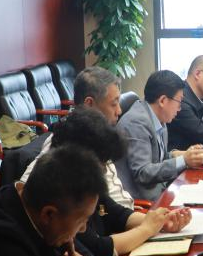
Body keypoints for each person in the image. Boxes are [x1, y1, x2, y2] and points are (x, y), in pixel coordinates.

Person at [50, 107, 192, 256]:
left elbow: (117, 214)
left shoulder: (84, 179)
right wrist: (147, 229)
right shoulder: (59, 187)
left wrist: (160, 222)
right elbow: (97, 248)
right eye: (102, 164)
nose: (105, 170)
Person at [20, 65, 135, 208]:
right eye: (114, 104)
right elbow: (24, 190)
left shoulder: (101, 137)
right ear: (89, 104)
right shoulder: (66, 142)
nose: (119, 111)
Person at [117, 70, 203, 202]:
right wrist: (184, 161)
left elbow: (157, 158)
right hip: (143, 202)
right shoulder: (136, 122)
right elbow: (143, 173)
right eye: (179, 102)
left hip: (162, 189)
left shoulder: (159, 117)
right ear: (163, 100)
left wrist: (181, 155)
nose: (180, 108)